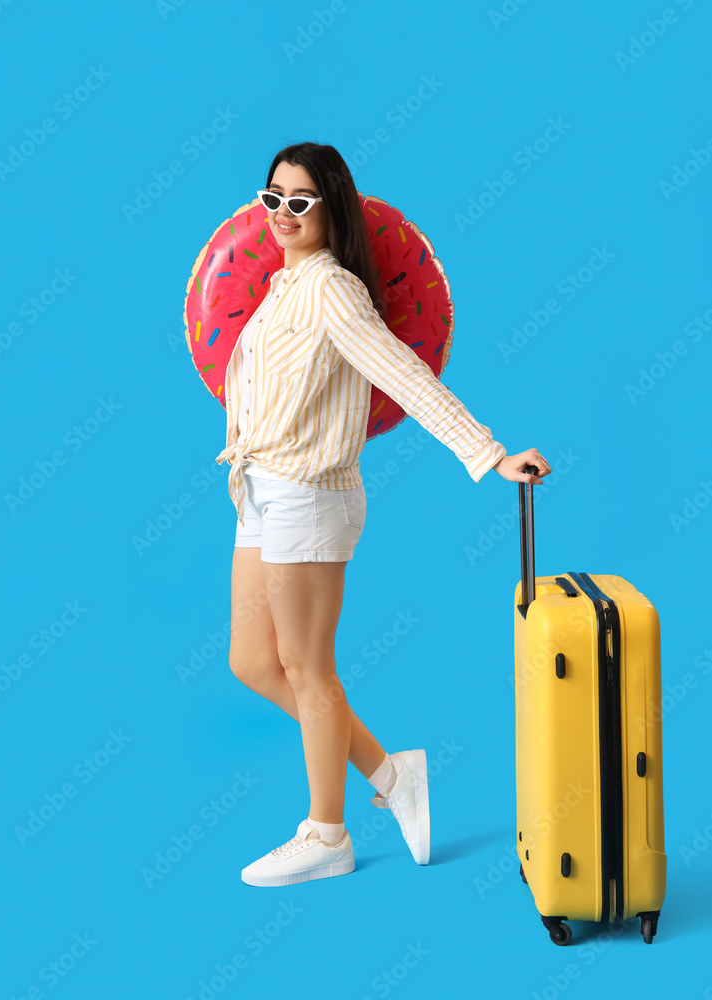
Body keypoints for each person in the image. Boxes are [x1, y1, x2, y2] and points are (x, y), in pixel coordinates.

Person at [215, 141, 552, 887]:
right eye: (272, 198)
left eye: (299, 201)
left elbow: (404, 372)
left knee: (308, 668)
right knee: (252, 662)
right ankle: (390, 772)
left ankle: (327, 834)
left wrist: (489, 452)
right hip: (261, 489)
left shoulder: (331, 288)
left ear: (331, 208)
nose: (282, 214)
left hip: (311, 492)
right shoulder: (278, 287)